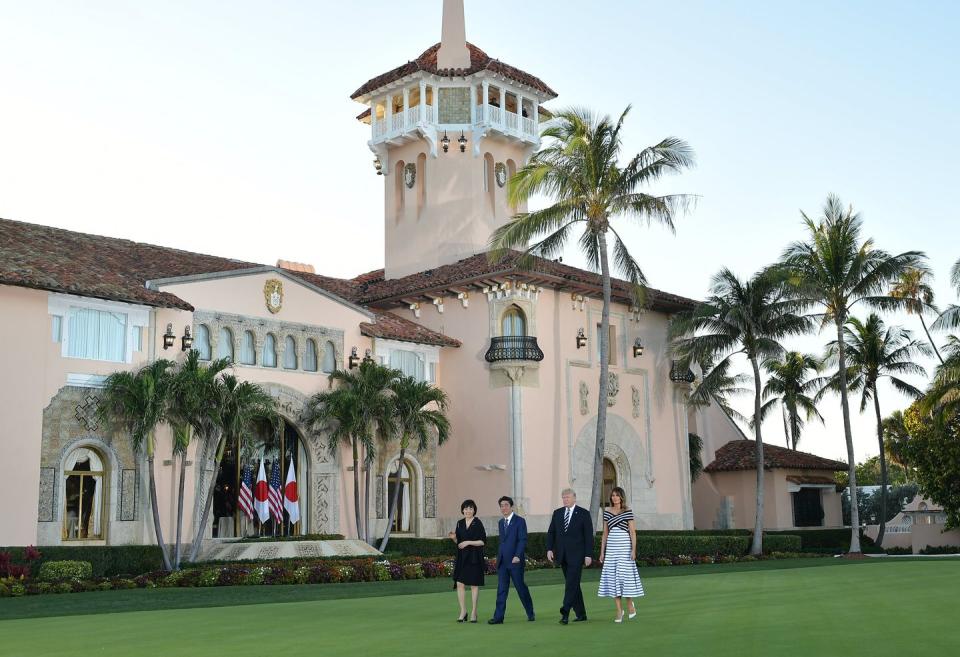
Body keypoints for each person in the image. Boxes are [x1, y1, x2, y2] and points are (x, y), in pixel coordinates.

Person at [546, 488, 594, 624]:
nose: (565, 499)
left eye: (567, 497)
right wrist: (549, 549)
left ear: (574, 498)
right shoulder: (558, 513)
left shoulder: (583, 514)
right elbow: (551, 533)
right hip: (562, 555)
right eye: (563, 497)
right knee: (573, 584)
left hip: (577, 556)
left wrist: (588, 555)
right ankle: (581, 613)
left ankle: (565, 610)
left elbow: (588, 536)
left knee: (571, 583)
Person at [598, 486, 644, 622]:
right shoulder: (606, 512)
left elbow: (632, 532)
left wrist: (633, 550)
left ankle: (630, 603)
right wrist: (602, 552)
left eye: (617, 495)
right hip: (612, 550)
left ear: (621, 497)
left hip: (625, 548)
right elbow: (605, 533)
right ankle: (619, 610)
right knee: (613, 578)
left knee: (624, 577)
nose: (614, 498)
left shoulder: (627, 511)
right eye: (612, 495)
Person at [488, 495, 535, 624]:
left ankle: (530, 613)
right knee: (501, 590)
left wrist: (517, 555)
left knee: (521, 588)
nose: (503, 508)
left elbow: (522, 540)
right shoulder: (500, 522)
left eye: (506, 505)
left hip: (515, 562)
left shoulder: (520, 521)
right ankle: (498, 617)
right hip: (503, 562)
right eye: (501, 506)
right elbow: (503, 542)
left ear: (511, 506)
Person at [448, 499, 486, 623]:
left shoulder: (478, 523)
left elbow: (482, 541)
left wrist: (468, 542)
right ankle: (463, 611)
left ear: (474, 510)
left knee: (474, 585)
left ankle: (474, 612)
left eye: (470, 508)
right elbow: (459, 543)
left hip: (474, 557)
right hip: (462, 557)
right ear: (462, 510)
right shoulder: (459, 523)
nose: (468, 511)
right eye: (465, 508)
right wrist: (454, 538)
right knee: (460, 584)